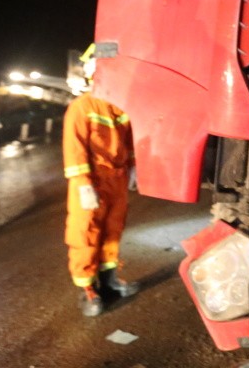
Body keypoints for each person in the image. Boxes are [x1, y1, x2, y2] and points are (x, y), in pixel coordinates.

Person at [62, 50, 139, 317]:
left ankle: (109, 280)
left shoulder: (120, 107)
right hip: (91, 179)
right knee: (85, 232)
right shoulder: (82, 106)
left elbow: (129, 142)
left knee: (112, 230)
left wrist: (132, 169)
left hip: (116, 178)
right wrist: (83, 184)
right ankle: (87, 288)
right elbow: (74, 148)